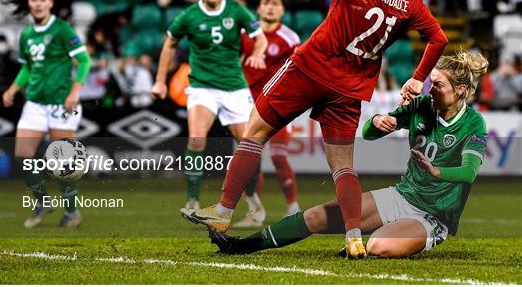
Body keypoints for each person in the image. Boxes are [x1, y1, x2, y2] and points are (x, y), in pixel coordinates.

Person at [181, 0, 448, 260]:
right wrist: (416, 78)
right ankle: (354, 237)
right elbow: (439, 39)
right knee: (343, 167)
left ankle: (223, 210)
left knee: (254, 133)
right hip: (350, 89)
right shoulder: (411, 1)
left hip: (310, 70)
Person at [208, 51, 489, 259]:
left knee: (378, 246)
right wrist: (379, 121)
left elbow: (468, 173)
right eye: (431, 82)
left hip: (433, 215)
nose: (430, 89)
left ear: (461, 90)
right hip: (402, 195)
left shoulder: (473, 124)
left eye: (438, 85)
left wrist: (435, 171)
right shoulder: (421, 105)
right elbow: (368, 133)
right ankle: (243, 246)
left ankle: (400, 238)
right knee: (318, 216)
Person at [151, 0, 267, 209]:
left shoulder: (237, 11)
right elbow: (168, 45)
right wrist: (160, 81)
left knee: (250, 145)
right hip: (202, 87)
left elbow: (260, 37)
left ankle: (252, 195)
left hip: (234, 87)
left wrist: (258, 52)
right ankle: (192, 200)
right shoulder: (189, 15)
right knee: (196, 140)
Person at [2, 0, 92, 228]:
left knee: (62, 161)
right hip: (35, 104)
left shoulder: (62, 29)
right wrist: (13, 88)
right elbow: (28, 66)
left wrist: (75, 92)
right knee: (23, 155)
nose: (38, 3)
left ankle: (72, 212)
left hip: (62, 104)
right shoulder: (27, 34)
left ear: (50, 2)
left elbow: (84, 61)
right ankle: (42, 200)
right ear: (29, 3)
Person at [235, 0, 301, 228]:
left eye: (276, 4)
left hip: (278, 106)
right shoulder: (245, 35)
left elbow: (296, 72)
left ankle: (293, 210)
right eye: (266, 3)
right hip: (247, 105)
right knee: (250, 159)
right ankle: (255, 212)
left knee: (278, 155)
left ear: (282, 11)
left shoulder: (290, 38)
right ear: (259, 9)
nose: (271, 8)